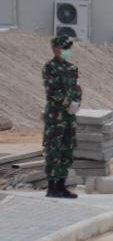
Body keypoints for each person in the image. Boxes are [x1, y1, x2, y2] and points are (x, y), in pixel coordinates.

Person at [42, 35, 82, 198]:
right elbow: (52, 90)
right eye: (64, 48)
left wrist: (76, 103)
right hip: (55, 117)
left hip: (69, 117)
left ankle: (62, 186)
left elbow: (77, 88)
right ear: (55, 49)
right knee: (54, 150)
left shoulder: (72, 68)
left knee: (67, 149)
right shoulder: (49, 67)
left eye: (68, 48)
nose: (67, 51)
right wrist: (67, 103)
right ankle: (52, 187)